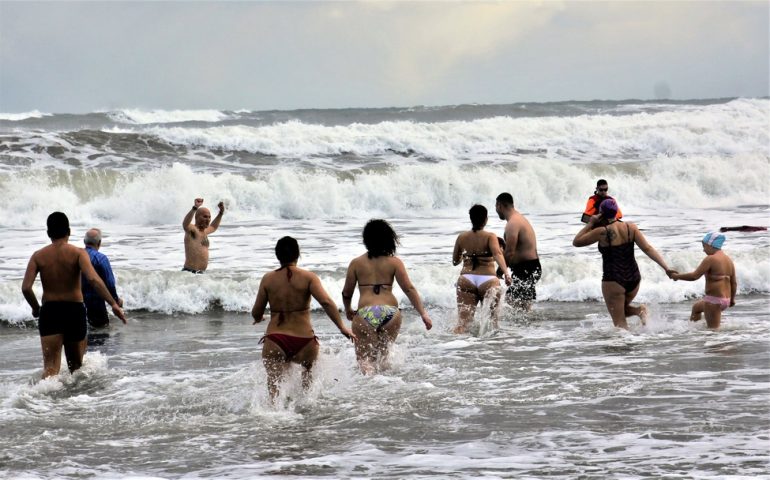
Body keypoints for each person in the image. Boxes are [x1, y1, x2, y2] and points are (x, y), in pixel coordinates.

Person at [21, 212, 127, 378]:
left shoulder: (38, 256)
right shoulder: (78, 253)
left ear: (48, 233)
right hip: (74, 311)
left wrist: (36, 308)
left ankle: (44, 402)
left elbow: (26, 288)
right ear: (68, 231)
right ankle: (76, 402)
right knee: (76, 369)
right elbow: (93, 279)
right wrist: (113, 304)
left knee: (50, 370)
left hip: (50, 312)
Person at [251, 236, 354, 400]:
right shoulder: (309, 277)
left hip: (276, 339)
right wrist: (342, 327)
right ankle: (305, 416)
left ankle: (276, 418)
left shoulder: (268, 279)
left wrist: (259, 317)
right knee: (308, 387)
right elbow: (326, 302)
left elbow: (256, 312)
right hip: (304, 340)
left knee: (274, 388)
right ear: (298, 254)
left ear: (277, 255)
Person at [342, 219, 432, 374]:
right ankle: (386, 386)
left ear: (366, 239)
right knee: (384, 357)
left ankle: (371, 387)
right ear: (388, 239)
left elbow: (346, 292)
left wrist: (348, 309)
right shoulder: (395, 262)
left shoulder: (356, 263)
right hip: (391, 313)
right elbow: (409, 288)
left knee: (364, 360)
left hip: (365, 313)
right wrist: (423, 313)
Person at [573, 199, 673, 329]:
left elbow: (576, 242)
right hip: (634, 278)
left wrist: (590, 223)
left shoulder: (602, 232)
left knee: (620, 326)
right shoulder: (631, 227)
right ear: (616, 212)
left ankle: (626, 346)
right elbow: (648, 248)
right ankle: (639, 311)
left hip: (613, 280)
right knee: (621, 311)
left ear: (601, 214)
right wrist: (666, 268)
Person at [452, 205, 512, 333]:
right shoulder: (490, 236)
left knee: (463, 324)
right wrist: (506, 273)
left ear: (471, 218)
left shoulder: (461, 237)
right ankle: (488, 349)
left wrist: (466, 256)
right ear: (486, 219)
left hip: (466, 279)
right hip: (488, 279)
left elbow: (455, 261)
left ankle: (455, 348)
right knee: (492, 324)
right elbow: (497, 254)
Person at [671, 232, 737, 329]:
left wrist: (677, 276)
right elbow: (733, 282)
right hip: (725, 300)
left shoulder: (710, 259)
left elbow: (694, 276)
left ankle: (717, 343)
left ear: (711, 245)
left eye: (704, 246)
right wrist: (732, 299)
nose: (703, 250)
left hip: (714, 301)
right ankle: (693, 332)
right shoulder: (728, 260)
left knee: (713, 331)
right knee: (696, 308)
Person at [495, 192, 542, 310]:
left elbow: (510, 252)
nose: (496, 210)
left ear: (500, 205)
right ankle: (529, 326)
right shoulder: (518, 219)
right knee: (522, 306)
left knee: (511, 303)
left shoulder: (513, 224)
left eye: (496, 207)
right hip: (529, 268)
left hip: (527, 269)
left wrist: (500, 270)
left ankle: (525, 327)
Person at [81, 228, 123, 328]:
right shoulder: (101, 259)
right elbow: (110, 283)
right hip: (96, 305)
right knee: (100, 337)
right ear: (99, 243)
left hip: (77, 305)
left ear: (84, 241)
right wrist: (116, 301)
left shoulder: (76, 256)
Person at [182, 198, 224, 273]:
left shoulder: (205, 231)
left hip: (201, 273)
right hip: (190, 273)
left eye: (209, 217)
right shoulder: (192, 230)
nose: (208, 219)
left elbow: (213, 227)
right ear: (197, 217)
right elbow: (185, 224)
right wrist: (195, 208)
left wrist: (221, 213)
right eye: (205, 217)